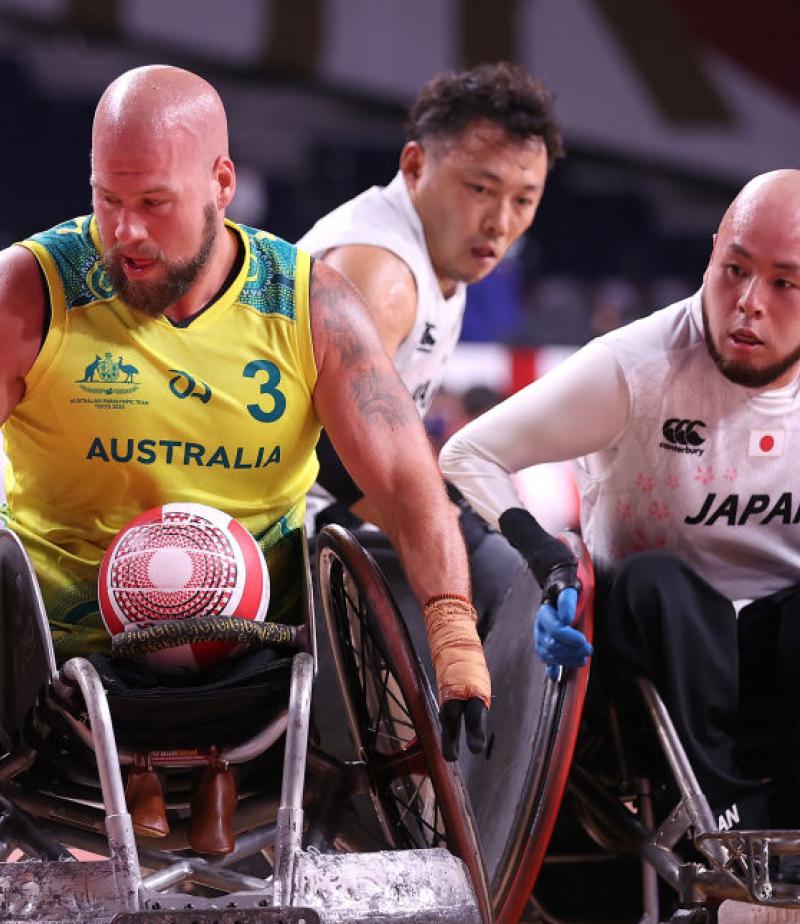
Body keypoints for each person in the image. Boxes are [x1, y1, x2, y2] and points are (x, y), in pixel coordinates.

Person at [0, 65, 491, 847]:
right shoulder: (31, 287)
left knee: (354, 560)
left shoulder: (309, 301)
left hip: (259, 652)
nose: (125, 231)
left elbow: (404, 478)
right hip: (56, 654)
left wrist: (454, 632)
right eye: (107, 199)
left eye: (153, 203)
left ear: (222, 182)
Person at [441, 169, 800, 833]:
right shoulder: (639, 365)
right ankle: (718, 825)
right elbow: (467, 454)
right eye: (735, 269)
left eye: (785, 282)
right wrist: (550, 562)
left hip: (781, 665)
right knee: (657, 583)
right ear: (712, 251)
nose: (750, 301)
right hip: (650, 665)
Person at [297, 61, 563, 534]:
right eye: (481, 189)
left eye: (523, 200)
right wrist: (440, 530)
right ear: (416, 166)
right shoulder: (380, 271)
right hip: (282, 530)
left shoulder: (439, 255)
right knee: (493, 562)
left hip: (326, 518)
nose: (500, 223)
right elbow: (323, 450)